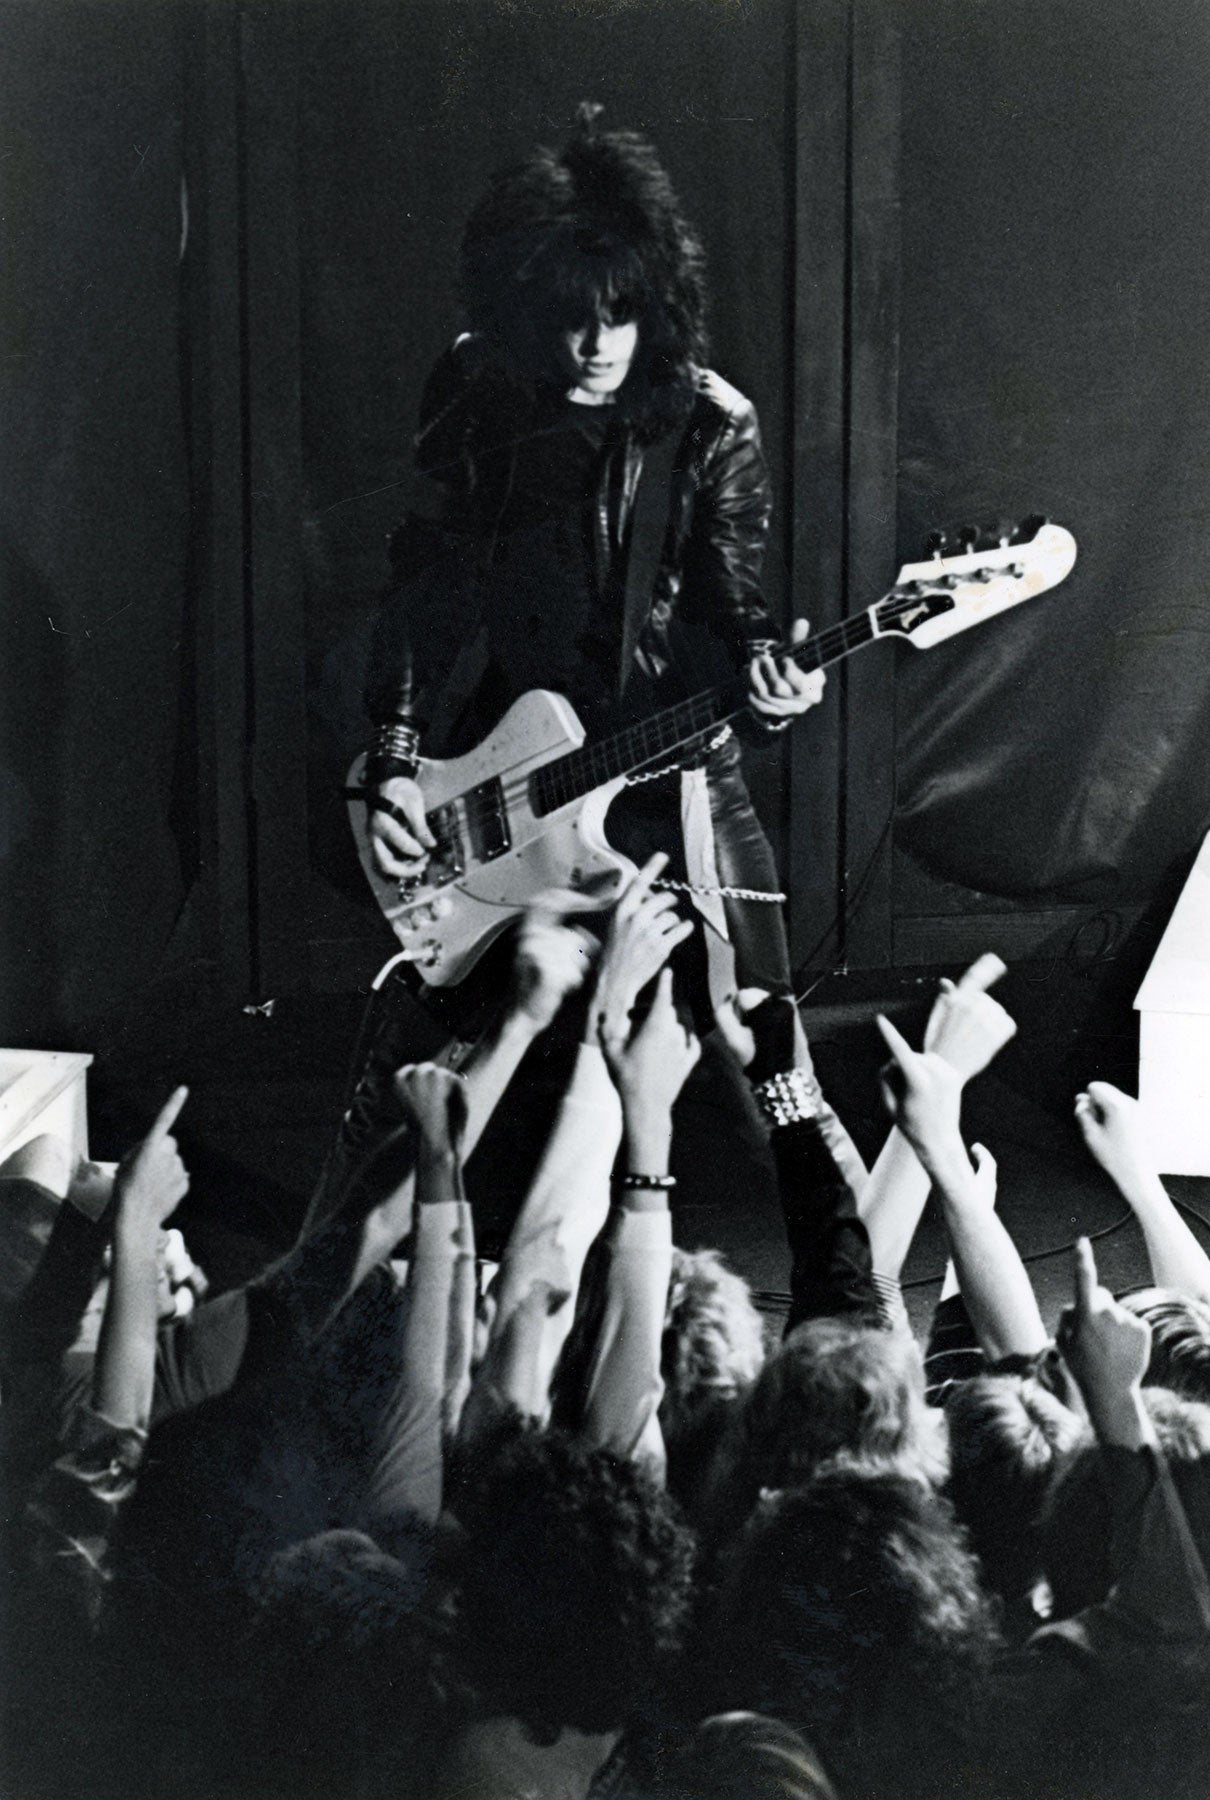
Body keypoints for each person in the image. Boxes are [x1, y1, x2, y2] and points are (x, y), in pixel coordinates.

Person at [346, 107, 824, 1213]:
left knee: (766, 1049)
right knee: (486, 1051)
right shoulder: (476, 391)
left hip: (674, 770)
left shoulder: (707, 425)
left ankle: (845, 1300)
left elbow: (731, 611)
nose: (600, 344)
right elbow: (421, 587)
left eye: (623, 314)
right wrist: (399, 757)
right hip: (517, 767)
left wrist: (771, 679)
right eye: (570, 318)